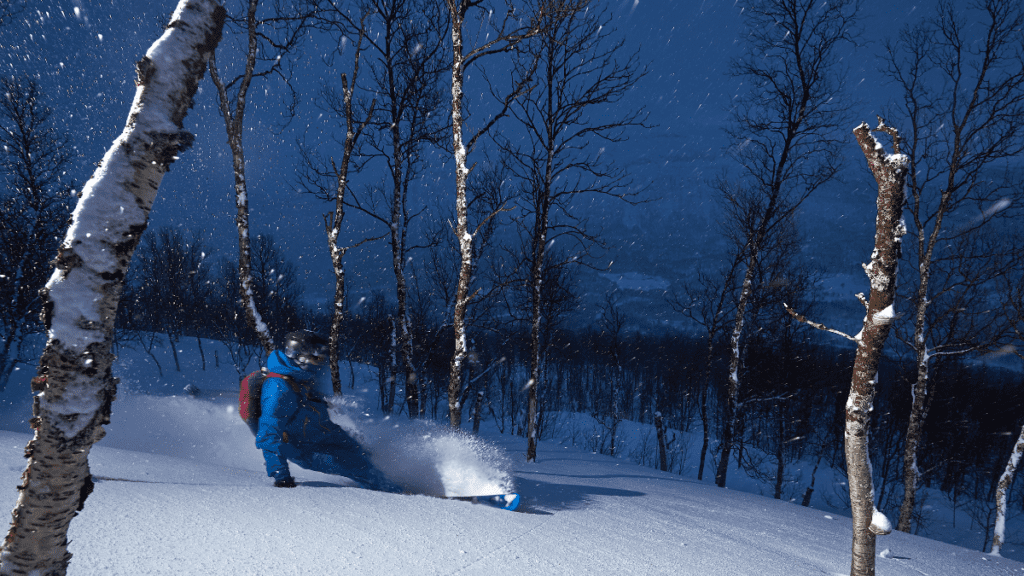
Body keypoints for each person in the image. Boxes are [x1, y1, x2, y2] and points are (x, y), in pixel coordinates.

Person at [253, 330, 397, 491]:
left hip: (325, 436)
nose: (320, 364)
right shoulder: (279, 388)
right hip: (306, 449)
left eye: (321, 359)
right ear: (298, 356)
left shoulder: (301, 378)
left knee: (366, 455)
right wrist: (281, 476)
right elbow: (268, 434)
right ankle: (400, 499)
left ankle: (394, 485)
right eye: (316, 358)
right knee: (361, 468)